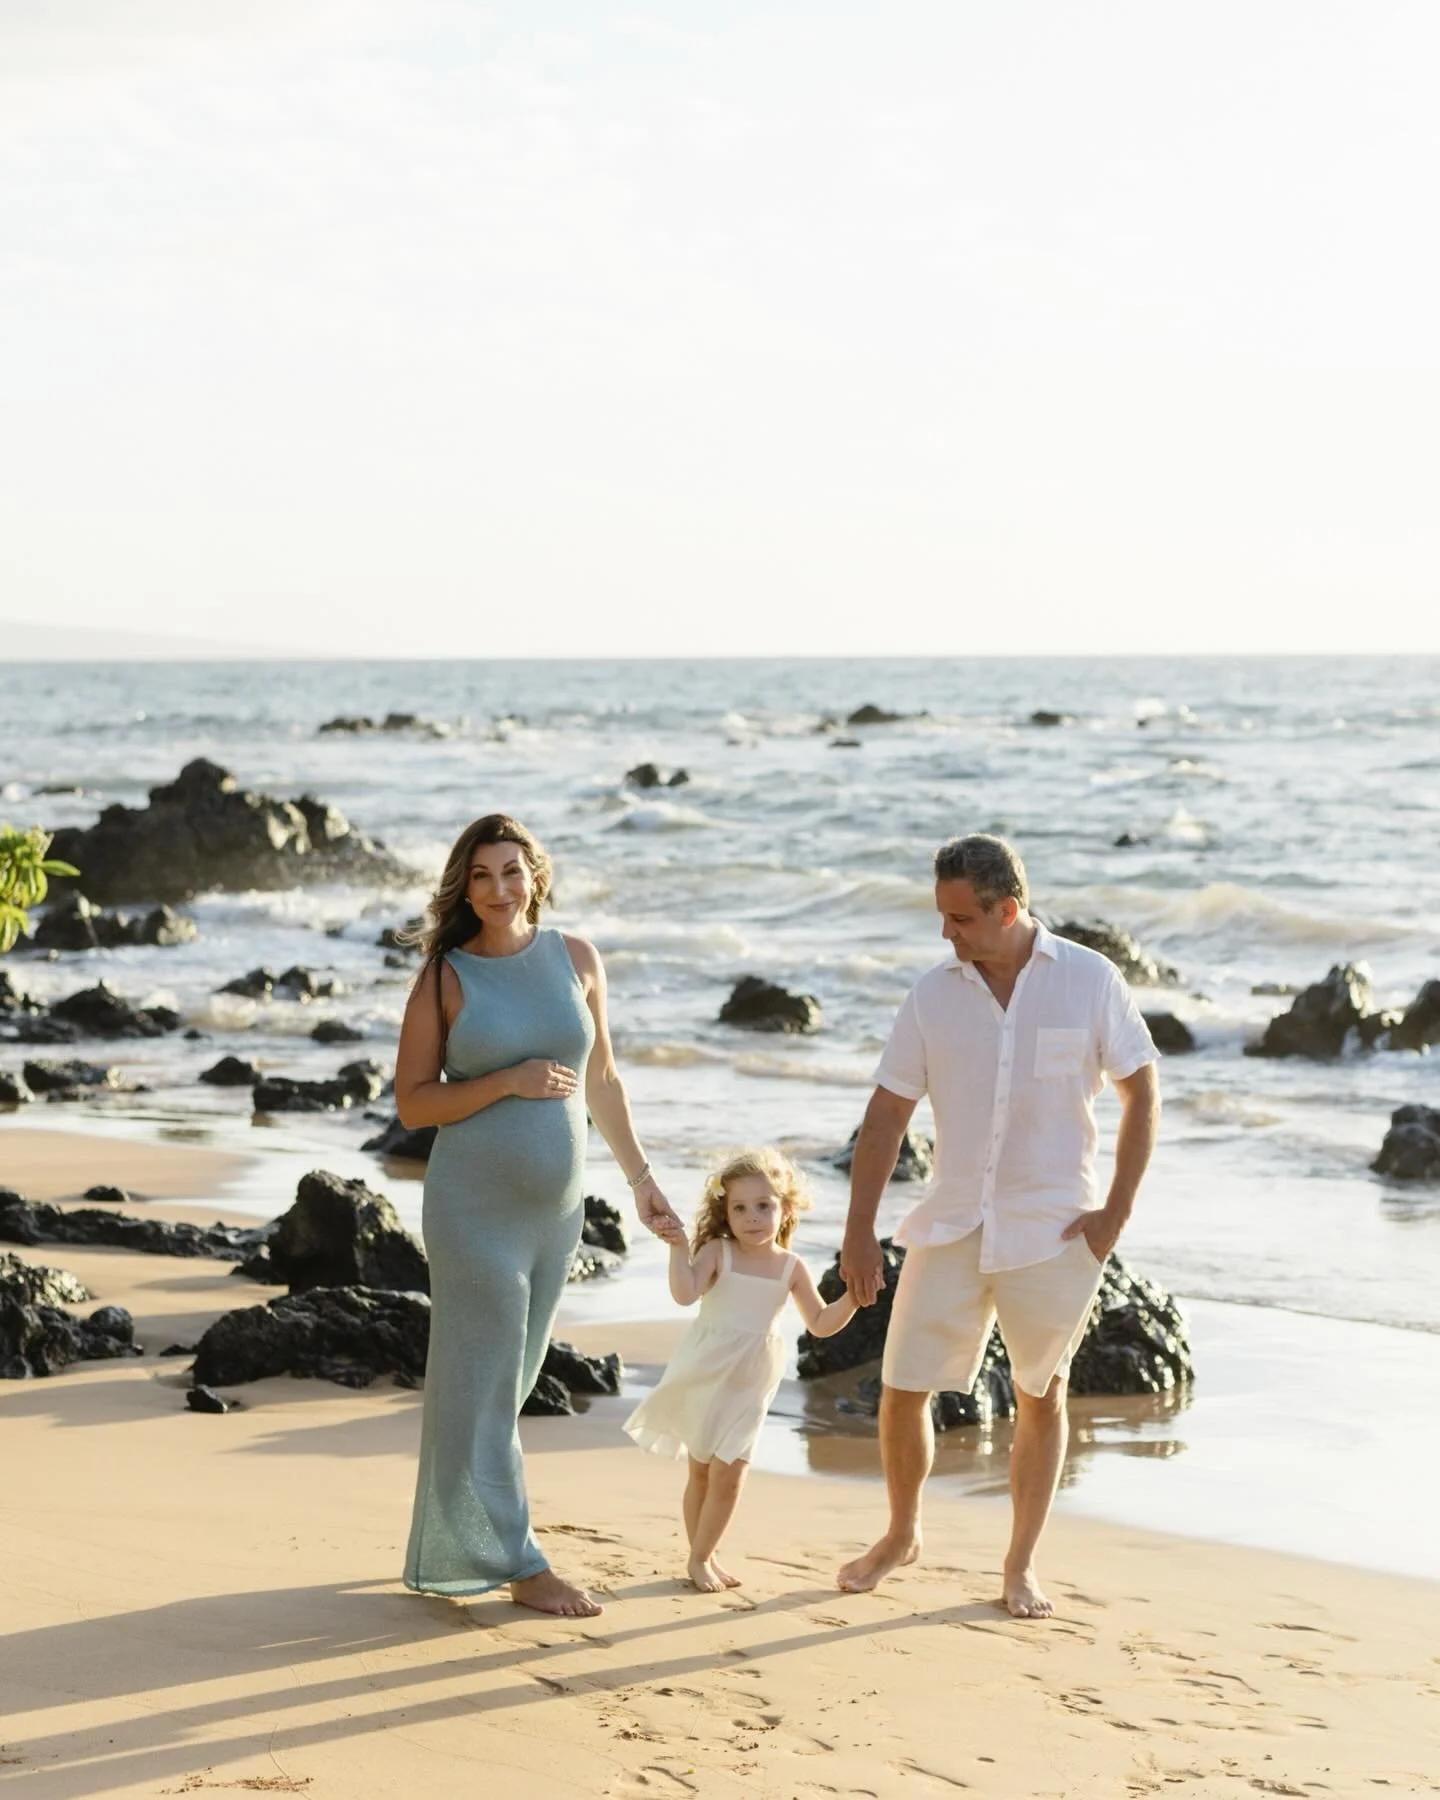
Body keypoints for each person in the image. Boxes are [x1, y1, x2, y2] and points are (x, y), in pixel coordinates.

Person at [837, 834, 1160, 1618]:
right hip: (951, 1222)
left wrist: (1115, 1213)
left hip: (1054, 1231)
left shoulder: (1089, 980)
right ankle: (901, 1534)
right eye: (942, 916)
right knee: (902, 1385)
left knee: (1039, 1394)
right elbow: (886, 1115)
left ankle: (1019, 1566)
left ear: (1007, 910)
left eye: (960, 919)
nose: (946, 933)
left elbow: (1141, 1093)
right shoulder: (933, 995)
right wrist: (858, 1230)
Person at [395, 812, 681, 1618]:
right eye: (482, 875)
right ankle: (523, 1565)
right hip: (471, 1211)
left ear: (536, 876)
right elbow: (413, 1103)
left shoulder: (576, 958)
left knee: (504, 1384)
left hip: (556, 1216)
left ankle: (449, 1545)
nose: (499, 889)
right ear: (464, 887)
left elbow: (604, 1081)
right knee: (485, 1388)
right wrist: (505, 1082)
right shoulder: (445, 978)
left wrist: (642, 1180)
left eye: (512, 871)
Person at [626, 1148, 858, 1593]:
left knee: (730, 1474)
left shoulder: (791, 1267)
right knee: (700, 1471)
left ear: (785, 1209)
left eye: (763, 1206)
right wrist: (679, 1247)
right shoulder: (719, 1251)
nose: (752, 1217)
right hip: (706, 1373)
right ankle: (703, 1556)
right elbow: (685, 1293)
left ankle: (699, 1557)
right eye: (740, 1208)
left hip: (752, 1381)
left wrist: (854, 1299)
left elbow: (820, 1322)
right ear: (725, 1213)